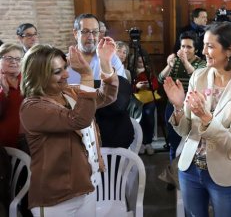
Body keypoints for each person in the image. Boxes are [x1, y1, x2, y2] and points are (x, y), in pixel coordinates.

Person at [163, 21, 231, 216]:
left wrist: (205, 117)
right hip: (190, 168)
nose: (204, 51)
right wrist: (178, 106)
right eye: (204, 44)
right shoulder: (198, 76)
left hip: (226, 172)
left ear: (230, 50)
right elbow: (185, 130)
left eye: (210, 46)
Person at [19, 41, 119, 216]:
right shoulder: (32, 107)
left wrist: (105, 63)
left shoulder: (68, 93)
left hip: (85, 187)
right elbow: (78, 119)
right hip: (55, 199)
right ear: (38, 76)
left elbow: (106, 96)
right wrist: (86, 75)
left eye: (65, 67)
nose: (66, 74)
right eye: (58, 72)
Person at [67, 13, 133, 148]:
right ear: (75, 33)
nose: (91, 37)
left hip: (111, 132)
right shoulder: (65, 62)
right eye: (85, 32)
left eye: (94, 32)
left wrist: (84, 95)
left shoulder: (111, 58)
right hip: (78, 135)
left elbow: (119, 99)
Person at [158, 31, 206, 162]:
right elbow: (161, 79)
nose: (185, 50)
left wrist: (185, 62)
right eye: (183, 46)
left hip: (192, 108)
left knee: (190, 143)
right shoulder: (176, 61)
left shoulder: (201, 63)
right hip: (173, 106)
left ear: (196, 49)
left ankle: (186, 173)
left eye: (189, 47)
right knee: (173, 142)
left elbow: (198, 79)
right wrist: (169, 65)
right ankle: (173, 176)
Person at [0, 44, 25, 148]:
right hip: (4, 144)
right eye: (8, 58)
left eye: (18, 58)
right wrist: (4, 93)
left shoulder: (27, 82)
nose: (14, 62)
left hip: (28, 140)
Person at [134, 55, 159, 155]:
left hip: (148, 98)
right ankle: (140, 143)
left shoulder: (149, 72)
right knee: (139, 117)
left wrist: (149, 85)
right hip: (135, 99)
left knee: (148, 115)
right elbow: (128, 86)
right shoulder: (131, 70)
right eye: (139, 62)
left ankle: (148, 142)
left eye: (143, 62)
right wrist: (137, 86)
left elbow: (156, 84)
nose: (142, 64)